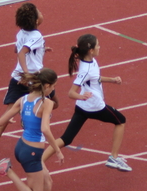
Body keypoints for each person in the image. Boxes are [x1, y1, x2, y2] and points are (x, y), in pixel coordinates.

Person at [41, 34, 131, 172]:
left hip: (82, 108)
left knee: (67, 138)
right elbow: (71, 93)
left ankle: (39, 161)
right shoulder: (85, 69)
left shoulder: (90, 62)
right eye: (98, 45)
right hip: (94, 106)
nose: (100, 47)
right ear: (91, 50)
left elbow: (95, 78)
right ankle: (113, 157)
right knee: (121, 120)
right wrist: (81, 96)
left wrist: (112, 80)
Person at [0, 3, 55, 167]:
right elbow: (21, 52)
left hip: (16, 78)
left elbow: (18, 49)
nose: (42, 13)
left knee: (8, 114)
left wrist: (40, 50)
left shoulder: (22, 33)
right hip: (34, 78)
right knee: (52, 104)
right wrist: (28, 73)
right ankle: (29, 121)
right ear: (36, 20)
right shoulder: (37, 35)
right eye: (40, 12)